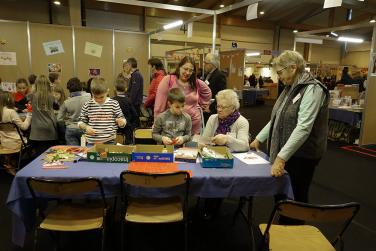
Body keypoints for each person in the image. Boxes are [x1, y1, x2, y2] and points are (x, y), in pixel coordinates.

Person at [250, 50, 329, 214]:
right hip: (287, 152)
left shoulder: (313, 89)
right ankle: (283, 229)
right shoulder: (290, 88)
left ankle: (296, 233)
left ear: (293, 68)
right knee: (282, 196)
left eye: (280, 72)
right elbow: (277, 118)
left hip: (303, 155)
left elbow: (304, 127)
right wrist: (259, 139)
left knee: (296, 197)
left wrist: (280, 157)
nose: (278, 76)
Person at [154, 56, 212, 135]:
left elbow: (208, 92)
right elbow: (159, 105)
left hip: (193, 124)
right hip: (172, 123)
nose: (188, 72)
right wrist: (157, 123)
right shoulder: (168, 80)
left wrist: (202, 104)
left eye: (191, 70)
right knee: (173, 145)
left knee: (192, 146)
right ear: (179, 67)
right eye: (185, 69)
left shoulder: (196, 82)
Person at [78, 78, 126, 145]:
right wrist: (86, 128)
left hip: (109, 141)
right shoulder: (87, 104)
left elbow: (122, 119)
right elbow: (80, 122)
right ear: (92, 93)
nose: (98, 100)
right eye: (95, 97)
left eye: (101, 97)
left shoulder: (114, 103)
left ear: (107, 91)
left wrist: (122, 122)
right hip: (92, 142)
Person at [0, 92, 32, 175]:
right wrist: (29, 114)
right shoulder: (11, 112)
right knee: (31, 139)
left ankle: (9, 161)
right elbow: (24, 127)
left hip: (3, 143)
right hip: (16, 143)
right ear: (8, 100)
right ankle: (13, 162)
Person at [29, 75, 59, 157]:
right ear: (48, 84)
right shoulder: (51, 96)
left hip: (36, 129)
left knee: (39, 155)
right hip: (49, 128)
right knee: (50, 155)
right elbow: (57, 106)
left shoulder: (32, 96)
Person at [57, 78, 91, 146]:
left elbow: (59, 119)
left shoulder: (66, 102)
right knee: (86, 152)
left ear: (69, 90)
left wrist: (65, 127)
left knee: (73, 153)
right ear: (81, 88)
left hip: (71, 129)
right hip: (85, 128)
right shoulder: (88, 99)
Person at [112, 78, 139, 144]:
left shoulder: (111, 101)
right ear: (126, 89)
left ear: (114, 88)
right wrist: (131, 127)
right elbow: (135, 116)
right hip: (127, 130)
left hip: (114, 130)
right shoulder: (128, 101)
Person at [203, 53, 227, 124]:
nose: (204, 65)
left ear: (212, 64)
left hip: (212, 111)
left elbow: (221, 95)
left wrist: (211, 108)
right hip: (205, 109)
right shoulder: (207, 75)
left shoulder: (220, 76)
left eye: (206, 63)